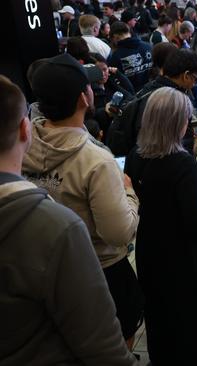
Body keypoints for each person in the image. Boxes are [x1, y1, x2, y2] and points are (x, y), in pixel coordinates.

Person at [0, 75, 137, 366]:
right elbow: (118, 232)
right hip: (104, 272)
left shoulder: (33, 158)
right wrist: (130, 195)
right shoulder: (60, 224)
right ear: (24, 129)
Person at [124, 87, 197, 365]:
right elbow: (195, 219)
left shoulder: (136, 155)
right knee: (195, 319)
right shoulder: (182, 164)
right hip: (185, 254)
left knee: (160, 314)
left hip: (150, 246)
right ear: (176, 122)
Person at [108, 21, 153, 92]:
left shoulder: (116, 56)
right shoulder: (148, 46)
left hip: (134, 96)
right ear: (129, 32)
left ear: (114, 37)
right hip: (152, 90)